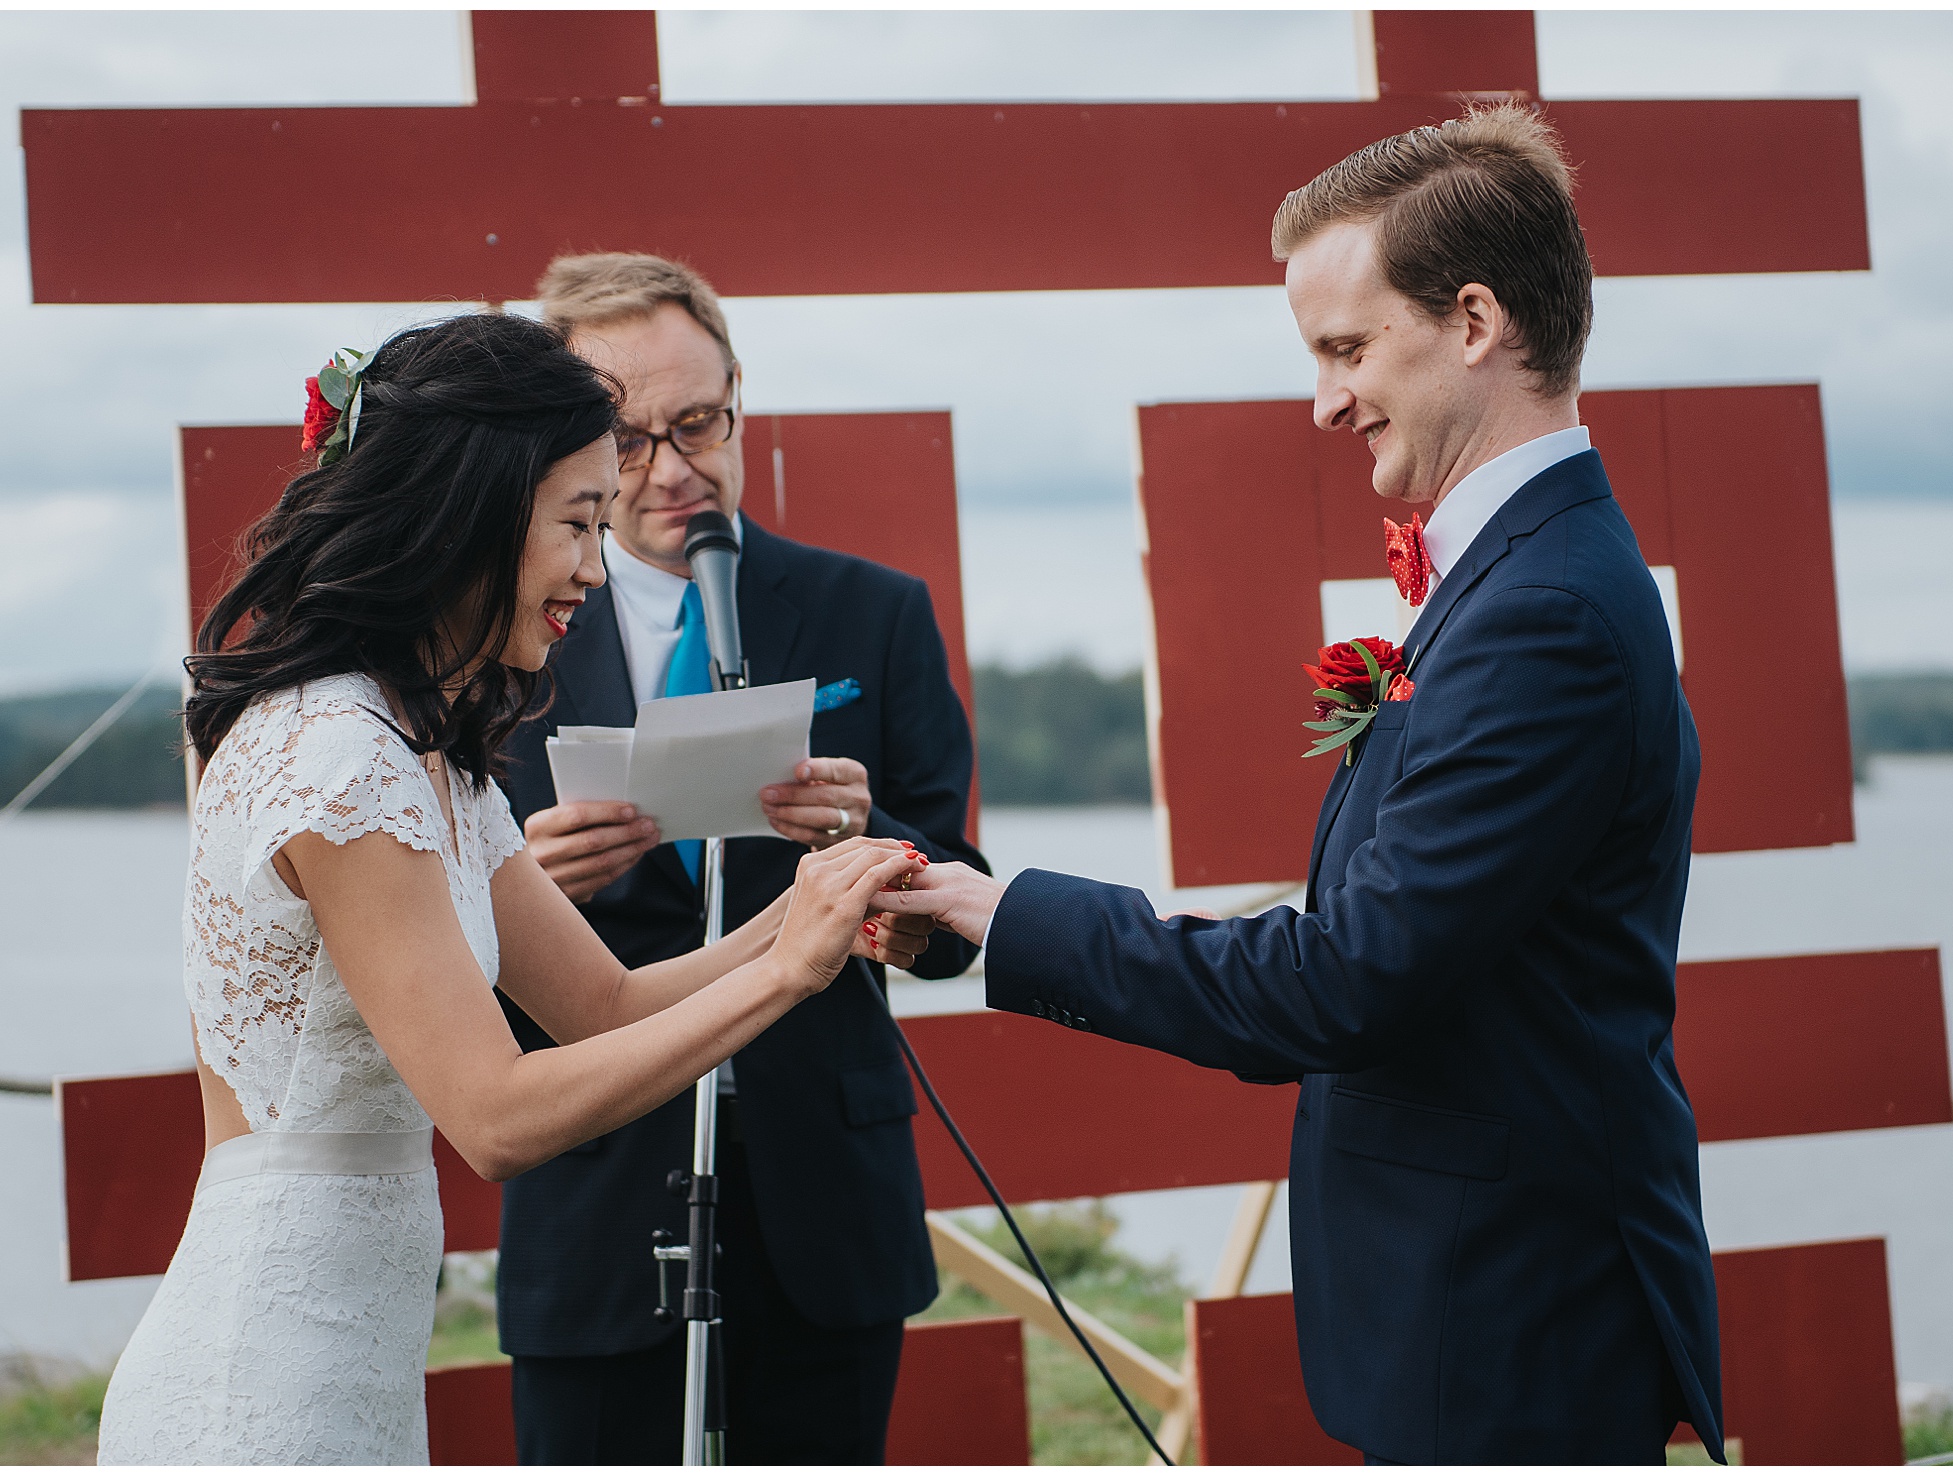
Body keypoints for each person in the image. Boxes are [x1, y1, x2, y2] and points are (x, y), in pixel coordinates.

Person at [878, 107, 1727, 1465]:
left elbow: (1343, 981)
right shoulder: (1526, 578)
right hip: (1472, 1302)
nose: (1323, 399)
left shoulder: (1546, 614)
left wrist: (1005, 910)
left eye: (1345, 348)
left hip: (1513, 1324)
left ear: (1473, 321)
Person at [93, 312, 925, 1465]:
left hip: (361, 1352)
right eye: (579, 523)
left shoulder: (421, 750)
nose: (596, 563)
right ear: (473, 513)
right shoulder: (338, 755)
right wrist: (786, 971)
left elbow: (610, 1007)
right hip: (265, 1368)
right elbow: (494, 1117)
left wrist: (806, 910)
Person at [493, 253, 988, 1465]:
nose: (673, 469)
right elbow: (424, 946)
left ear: (739, 402)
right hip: (598, 1198)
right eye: (625, 437)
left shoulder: (874, 611)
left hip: (824, 1194)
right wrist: (516, 888)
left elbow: (954, 930)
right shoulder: (493, 638)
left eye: (699, 424)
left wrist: (874, 855)